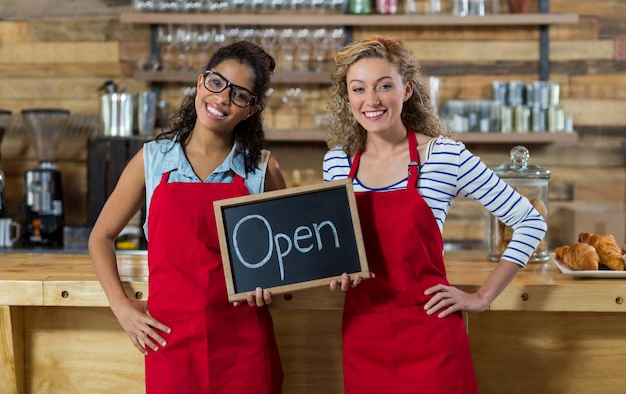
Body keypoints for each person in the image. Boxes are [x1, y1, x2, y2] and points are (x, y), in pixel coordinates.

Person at [323, 35, 547, 394]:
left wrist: (482, 297)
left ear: (406, 90)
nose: (372, 101)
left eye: (384, 86)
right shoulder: (337, 163)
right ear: (347, 98)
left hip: (431, 333)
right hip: (363, 336)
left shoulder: (444, 156)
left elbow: (531, 221)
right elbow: (337, 248)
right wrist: (336, 270)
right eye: (358, 89)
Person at [89, 41, 286, 394]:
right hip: (170, 342)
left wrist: (270, 285)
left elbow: (286, 256)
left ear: (252, 109)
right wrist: (120, 305)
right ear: (200, 83)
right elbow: (101, 236)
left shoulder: (262, 170)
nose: (223, 99)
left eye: (239, 95)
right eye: (217, 83)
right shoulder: (152, 161)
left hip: (245, 347)